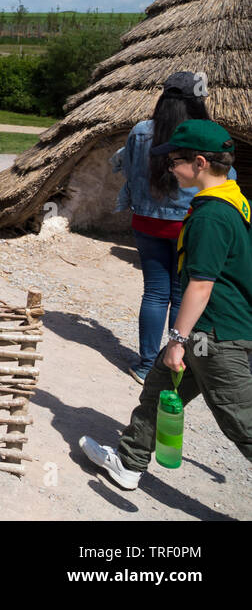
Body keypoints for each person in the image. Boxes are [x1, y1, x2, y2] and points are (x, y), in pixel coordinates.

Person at [81, 119, 252, 489]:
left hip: (215, 336)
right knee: (159, 389)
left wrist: (178, 340)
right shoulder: (232, 197)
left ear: (201, 163)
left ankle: (129, 459)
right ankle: (129, 462)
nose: (170, 169)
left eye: (175, 161)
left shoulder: (211, 216)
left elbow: (202, 285)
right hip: (207, 331)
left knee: (241, 422)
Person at [111, 72, 215, 382]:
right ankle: (172, 360)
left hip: (147, 222)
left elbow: (128, 171)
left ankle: (145, 365)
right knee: (181, 293)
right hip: (188, 225)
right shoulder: (205, 136)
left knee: (154, 293)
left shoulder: (142, 131)